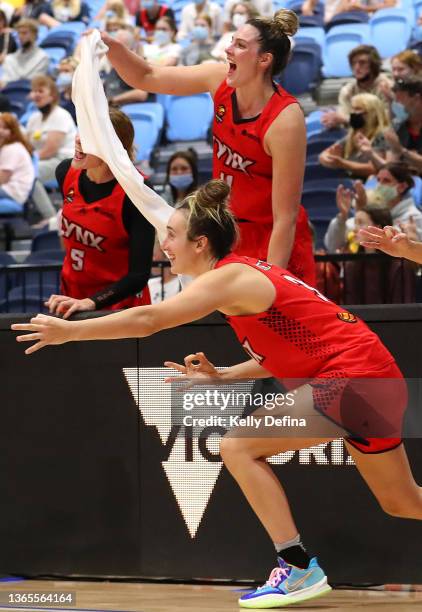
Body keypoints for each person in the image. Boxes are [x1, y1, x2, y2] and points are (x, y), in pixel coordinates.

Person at [12, 179, 422, 609]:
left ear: (201, 242)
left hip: (357, 379)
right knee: (402, 501)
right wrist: (225, 376)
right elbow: (289, 351)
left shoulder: (228, 279)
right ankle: (298, 568)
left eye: (172, 234)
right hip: (373, 380)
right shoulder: (242, 276)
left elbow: (150, 320)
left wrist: (70, 331)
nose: (165, 243)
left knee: (238, 446)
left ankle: (297, 567)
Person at [98, 8, 315, 284]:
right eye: (232, 41)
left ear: (264, 59)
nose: (228, 49)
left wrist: (273, 283)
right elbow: (148, 76)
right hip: (229, 233)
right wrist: (113, 47)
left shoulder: (285, 119)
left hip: (274, 241)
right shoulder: (219, 79)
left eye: (240, 45)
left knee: (270, 322)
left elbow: (285, 217)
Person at [45, 108, 154, 318]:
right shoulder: (65, 172)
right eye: (81, 131)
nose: (78, 140)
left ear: (110, 147)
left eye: (89, 136)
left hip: (119, 309)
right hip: (72, 301)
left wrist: (92, 302)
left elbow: (139, 275)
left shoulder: (137, 192)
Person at [324, 162, 422, 252]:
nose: (379, 185)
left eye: (386, 181)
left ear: (402, 187)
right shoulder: (369, 211)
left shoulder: (414, 218)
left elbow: (400, 252)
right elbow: (333, 246)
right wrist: (343, 216)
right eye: (378, 180)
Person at [319, 93, 390, 179]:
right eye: (352, 109)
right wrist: (328, 159)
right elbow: (325, 154)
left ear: (372, 113)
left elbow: (374, 169)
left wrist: (342, 164)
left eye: (358, 109)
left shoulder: (382, 135)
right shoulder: (354, 133)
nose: (353, 113)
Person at [321, 45, 392, 130]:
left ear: (373, 65)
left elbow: (385, 120)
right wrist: (333, 120)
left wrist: (345, 119)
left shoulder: (387, 86)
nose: (357, 67)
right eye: (353, 63)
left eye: (362, 63)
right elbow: (343, 116)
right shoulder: (348, 91)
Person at [26, 75, 77, 184]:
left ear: (52, 95)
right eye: (34, 91)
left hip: (63, 161)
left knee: (26, 172)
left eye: (40, 91)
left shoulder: (60, 115)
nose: (36, 95)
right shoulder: (33, 118)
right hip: (42, 160)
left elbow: (50, 150)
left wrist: (25, 161)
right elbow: (27, 145)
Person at [0, 112, 35, 213]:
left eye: (5, 128)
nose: (0, 131)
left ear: (13, 131)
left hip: (13, 192)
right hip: (9, 188)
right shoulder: (5, 147)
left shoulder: (12, 148)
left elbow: (2, 179)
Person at [0, 18, 49, 87]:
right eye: (19, 33)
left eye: (24, 33)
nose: (20, 37)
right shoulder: (10, 59)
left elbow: (32, 81)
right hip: (9, 93)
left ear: (34, 35)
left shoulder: (43, 57)